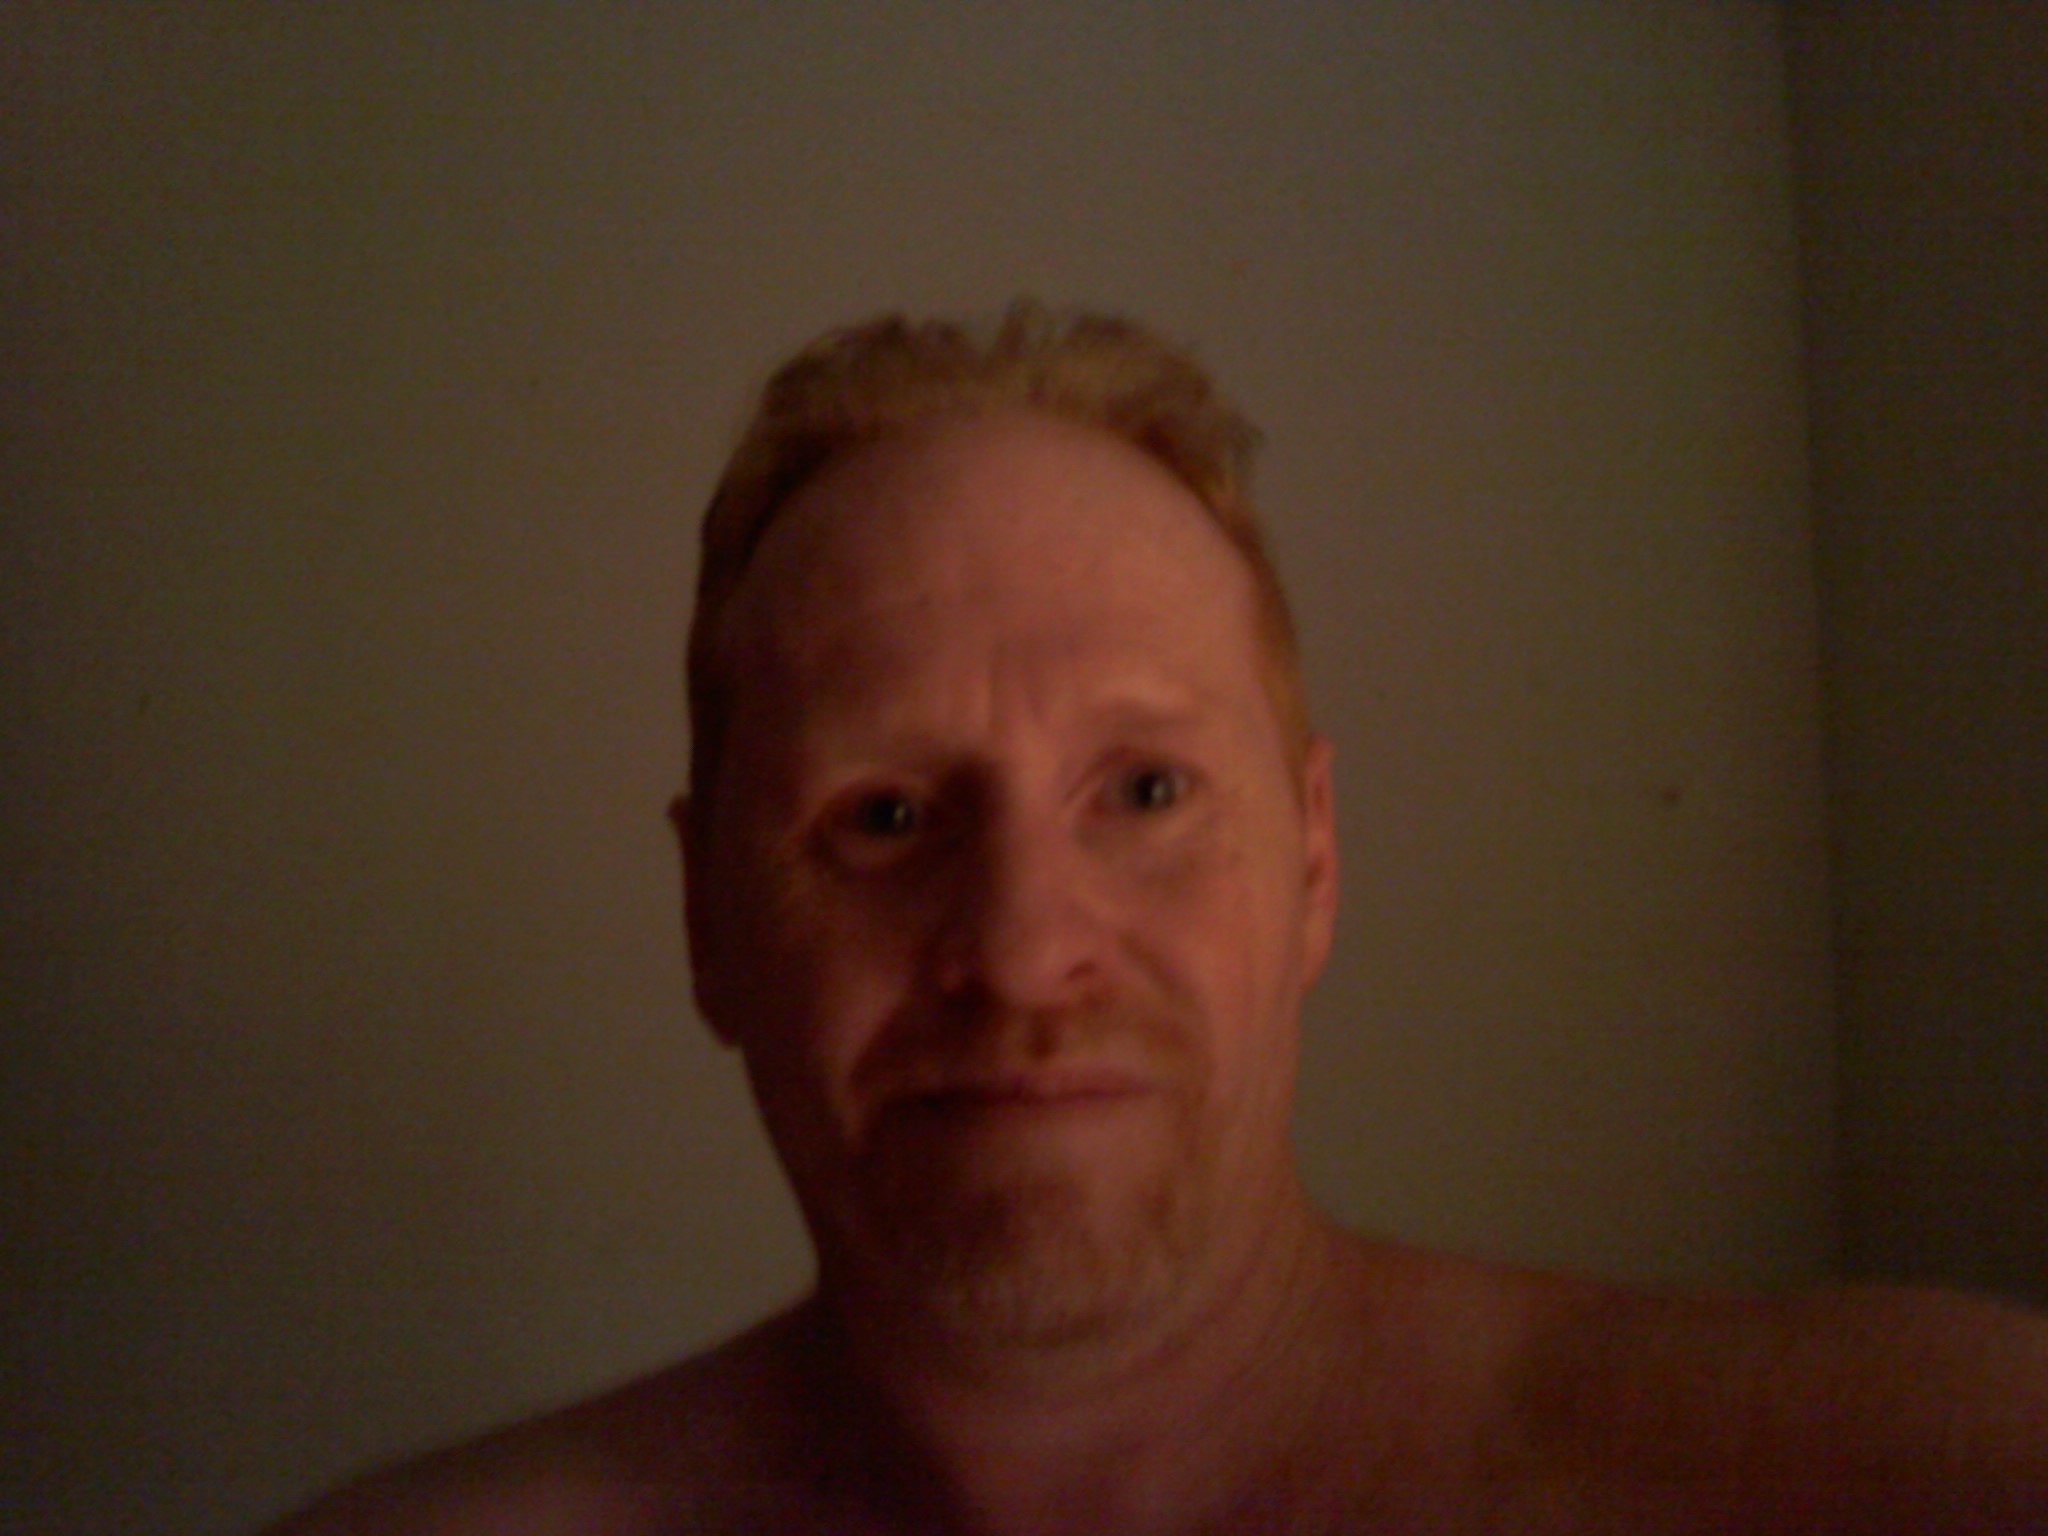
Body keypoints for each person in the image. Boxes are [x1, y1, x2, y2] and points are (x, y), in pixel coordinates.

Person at [267, 304, 2048, 1534]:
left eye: (1143, 793)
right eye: (881, 818)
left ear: (1315, 862)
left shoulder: (1906, 1471)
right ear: (707, 918)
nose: (1024, 948)